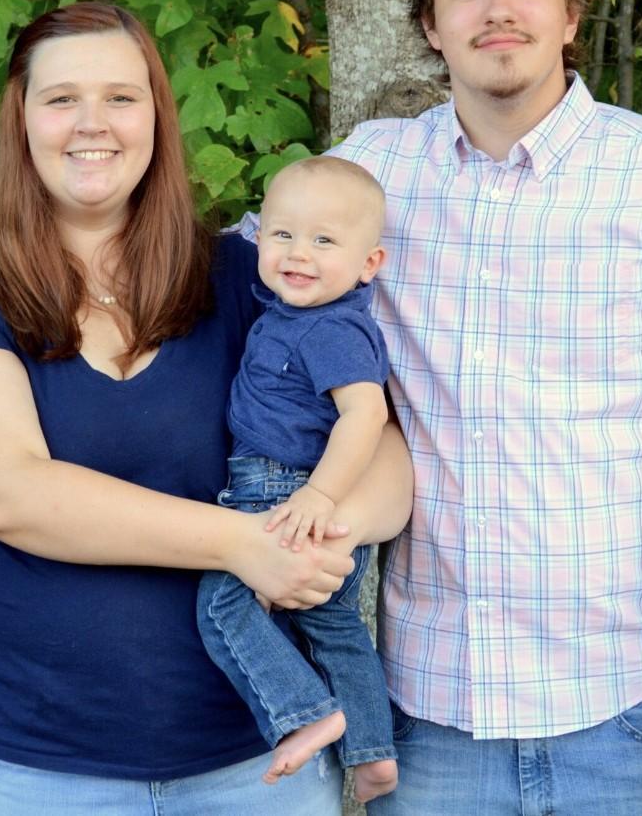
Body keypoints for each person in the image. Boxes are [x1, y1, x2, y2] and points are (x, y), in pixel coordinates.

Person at [321, 0, 642, 813]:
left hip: (633, 717)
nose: (498, 10)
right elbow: (233, 273)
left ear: (570, 15)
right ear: (430, 24)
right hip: (432, 717)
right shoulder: (373, 170)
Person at [0, 2, 413, 816]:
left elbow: (386, 470)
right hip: (49, 770)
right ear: (21, 120)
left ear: (157, 118)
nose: (92, 123)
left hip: (258, 766)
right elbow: (6, 493)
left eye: (120, 97)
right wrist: (242, 544)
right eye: (61, 99)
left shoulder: (247, 274)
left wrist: (311, 535)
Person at [197, 156, 399, 804]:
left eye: (324, 240)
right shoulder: (293, 310)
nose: (298, 253)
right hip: (294, 490)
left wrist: (320, 495)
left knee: (222, 605)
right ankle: (372, 753)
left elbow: (366, 414)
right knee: (334, 628)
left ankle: (303, 714)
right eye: (282, 234)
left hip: (287, 492)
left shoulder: (331, 328)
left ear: (369, 263)